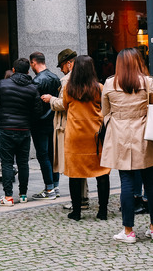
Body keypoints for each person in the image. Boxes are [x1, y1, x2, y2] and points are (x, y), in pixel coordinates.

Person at [100, 48, 153, 242]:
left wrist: (116, 120)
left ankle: (128, 231)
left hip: (120, 135)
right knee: (150, 182)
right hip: (145, 134)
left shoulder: (109, 83)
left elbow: (104, 111)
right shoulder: (147, 82)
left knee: (126, 182)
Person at [53, 55, 110, 221]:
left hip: (75, 136)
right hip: (94, 136)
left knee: (75, 174)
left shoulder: (69, 89)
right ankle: (103, 211)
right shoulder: (99, 88)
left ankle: (76, 211)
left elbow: (64, 105)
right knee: (102, 173)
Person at [0, 58, 42, 206]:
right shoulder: (32, 88)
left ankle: (8, 197)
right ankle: (23, 194)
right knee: (23, 163)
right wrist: (28, 121)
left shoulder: (3, 84)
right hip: (24, 129)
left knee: (7, 163)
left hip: (5, 128)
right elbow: (37, 110)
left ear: (13, 70)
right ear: (27, 71)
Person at [43, 49, 89, 211]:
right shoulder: (89, 79)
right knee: (80, 164)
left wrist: (51, 99)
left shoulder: (67, 80)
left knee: (71, 164)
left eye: (62, 66)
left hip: (67, 125)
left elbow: (64, 103)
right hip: (84, 125)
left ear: (69, 64)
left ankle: (78, 201)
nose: (61, 70)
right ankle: (83, 197)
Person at [28, 52, 62, 200]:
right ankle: (55, 185)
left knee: (43, 155)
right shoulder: (55, 78)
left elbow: (34, 106)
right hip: (53, 120)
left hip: (40, 123)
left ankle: (49, 189)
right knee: (52, 155)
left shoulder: (36, 81)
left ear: (33, 63)